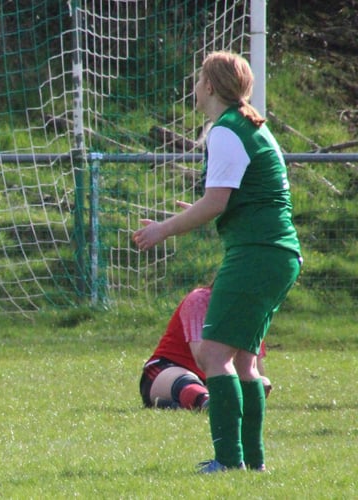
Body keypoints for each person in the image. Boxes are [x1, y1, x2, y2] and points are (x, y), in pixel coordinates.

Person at [132, 51, 301, 473]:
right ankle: (250, 462)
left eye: (198, 80)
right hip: (277, 253)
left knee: (212, 356)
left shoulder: (225, 130)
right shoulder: (253, 127)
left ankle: (228, 461)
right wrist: (195, 210)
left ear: (209, 86)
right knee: (243, 360)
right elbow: (240, 200)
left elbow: (216, 203)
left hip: (258, 253)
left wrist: (163, 229)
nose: (194, 88)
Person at [140, 286, 272, 411]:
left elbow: (255, 370)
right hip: (168, 369)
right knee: (187, 381)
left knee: (260, 383)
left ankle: (185, 403)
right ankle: (206, 402)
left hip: (216, 380)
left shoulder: (252, 311)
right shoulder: (199, 300)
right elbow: (203, 360)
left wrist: (259, 384)